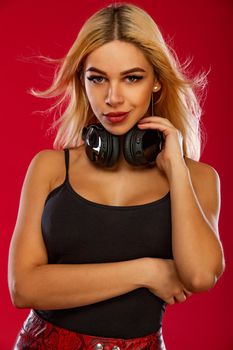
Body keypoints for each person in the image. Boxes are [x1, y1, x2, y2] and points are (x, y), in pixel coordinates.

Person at [8, 2, 225, 349]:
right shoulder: (50, 168)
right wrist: (146, 272)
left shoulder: (198, 179)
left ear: (156, 82)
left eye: (132, 78)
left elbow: (199, 276)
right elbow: (24, 287)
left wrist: (177, 171)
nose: (113, 97)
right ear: (82, 80)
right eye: (97, 79)